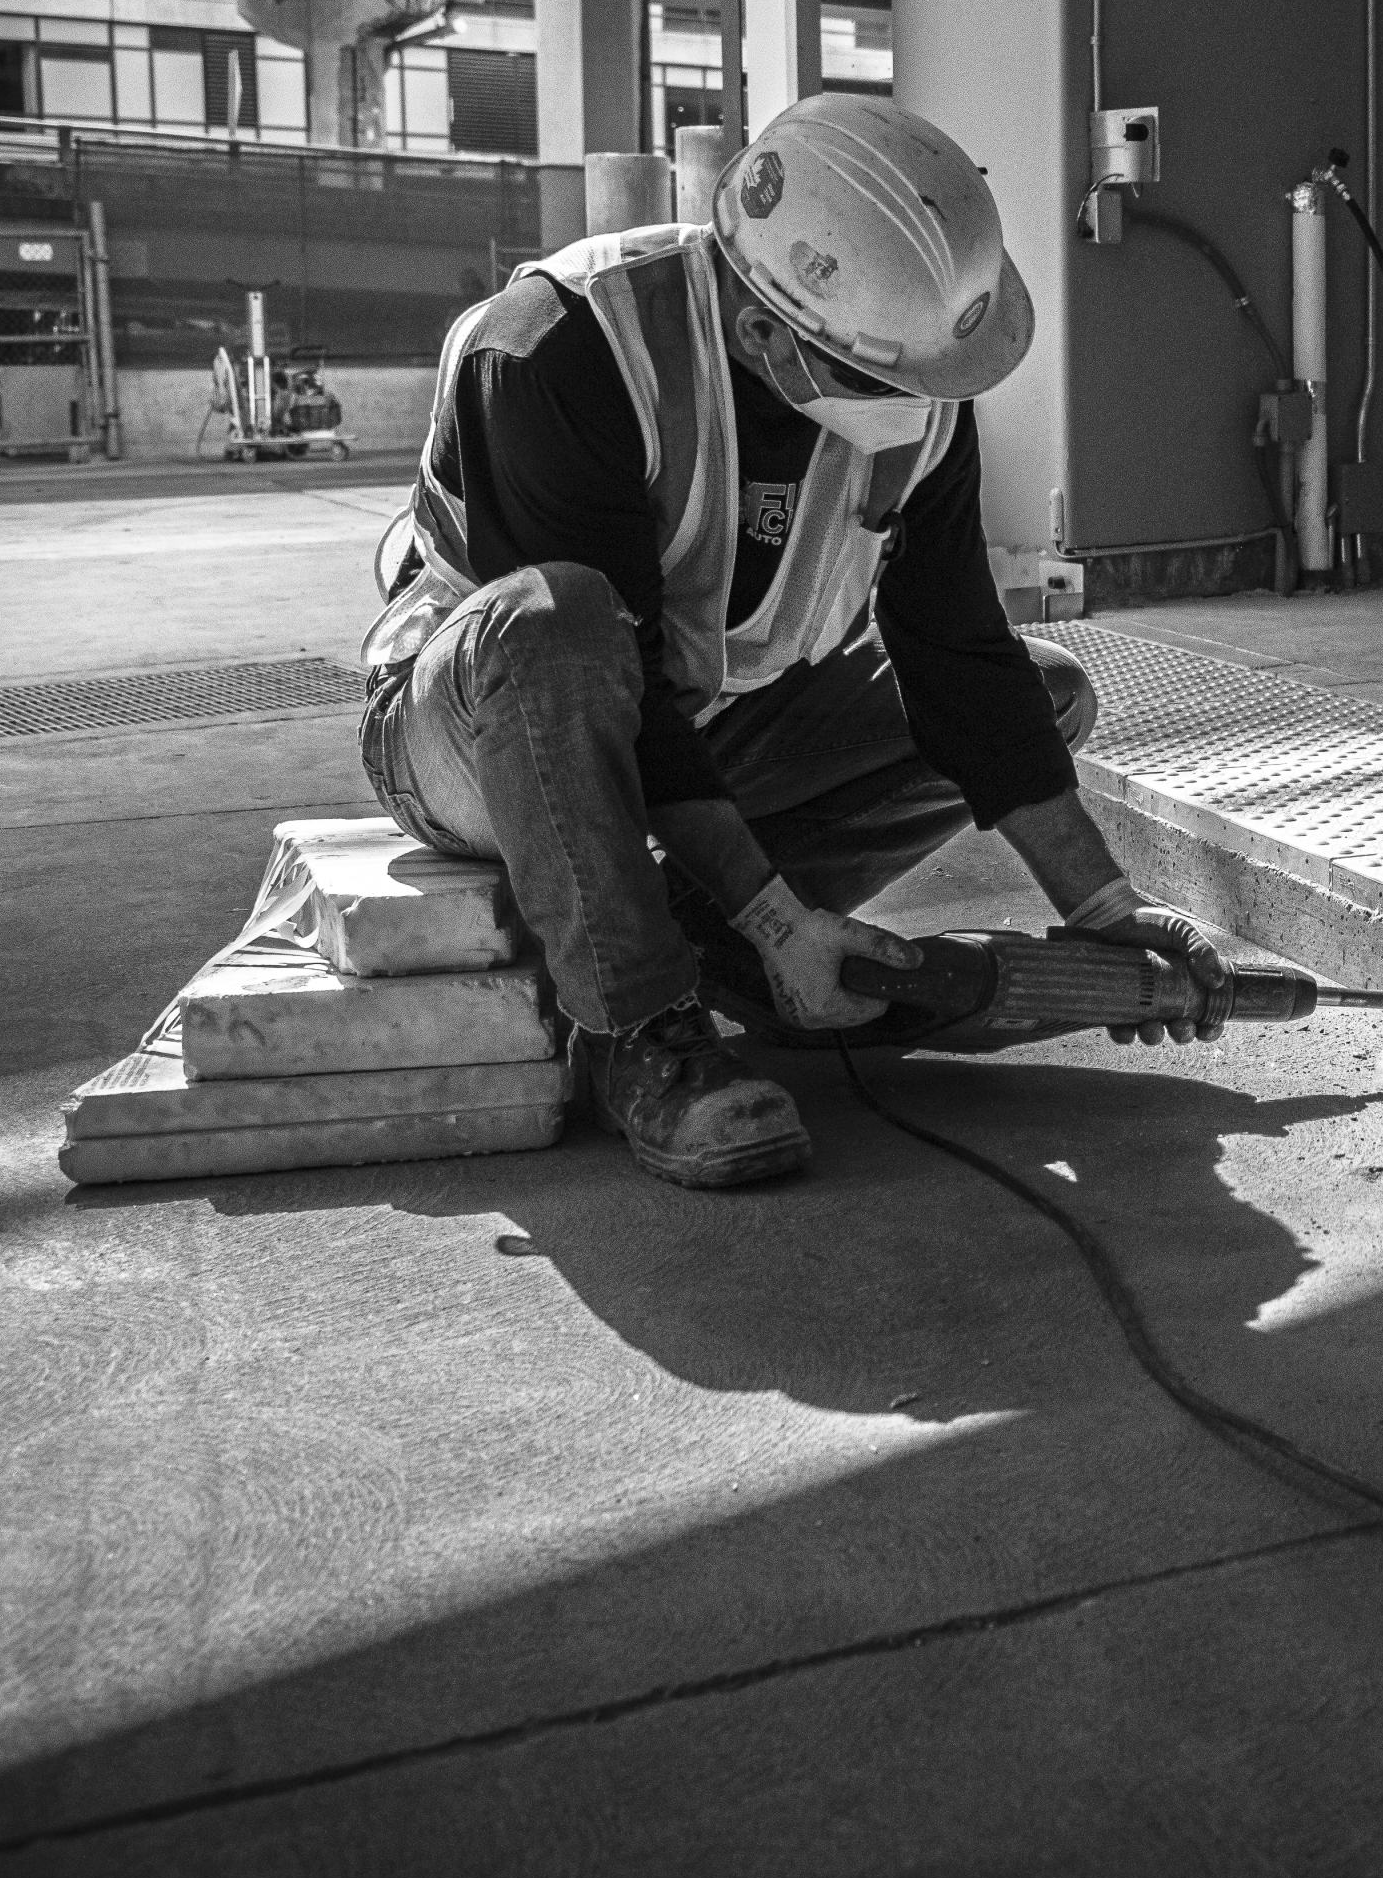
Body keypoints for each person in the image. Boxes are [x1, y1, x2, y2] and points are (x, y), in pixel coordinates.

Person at [356, 95, 1229, 1189]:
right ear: (764, 326)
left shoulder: (916, 381)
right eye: (885, 388)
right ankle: (645, 1027)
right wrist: (779, 917)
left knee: (1043, 694)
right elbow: (601, 675)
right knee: (559, 622)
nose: (916, 412)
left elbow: (959, 655)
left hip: (711, 712)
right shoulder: (560, 351)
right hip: (480, 731)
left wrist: (1105, 907)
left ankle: (701, 927)